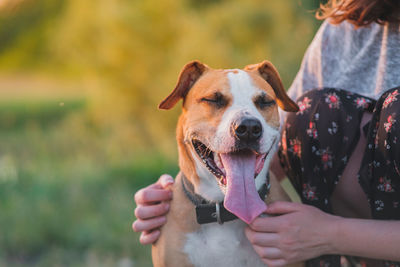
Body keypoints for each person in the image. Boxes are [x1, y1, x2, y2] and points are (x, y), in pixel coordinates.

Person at [132, 0, 400, 266]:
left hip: (341, 242)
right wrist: (173, 195)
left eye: (262, 103)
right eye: (215, 100)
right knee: (312, 112)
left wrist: (330, 234)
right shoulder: (350, 19)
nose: (247, 123)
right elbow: (281, 139)